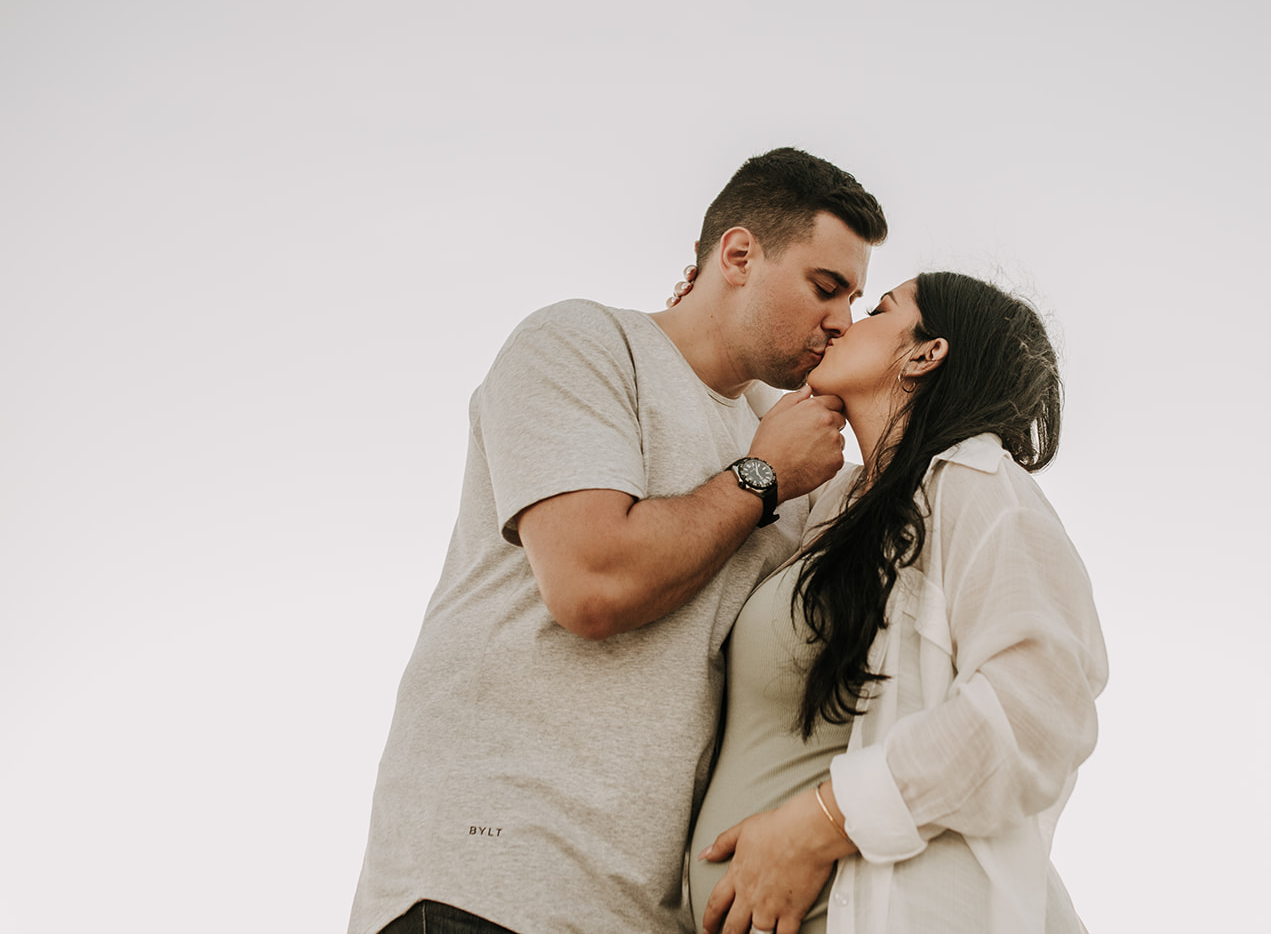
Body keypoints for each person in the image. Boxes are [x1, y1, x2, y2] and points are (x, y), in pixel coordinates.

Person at [347, 148, 889, 934]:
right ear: (737, 255)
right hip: (485, 885)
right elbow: (591, 583)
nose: (841, 319)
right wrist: (762, 474)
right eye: (825, 287)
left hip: (640, 913)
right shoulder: (582, 344)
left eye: (857, 299)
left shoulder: (785, 445)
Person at [687, 272, 1109, 934]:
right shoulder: (836, 507)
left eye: (879, 308)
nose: (841, 323)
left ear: (924, 352)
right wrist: (717, 303)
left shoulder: (975, 483)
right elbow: (742, 434)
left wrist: (822, 822)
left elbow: (1037, 707)